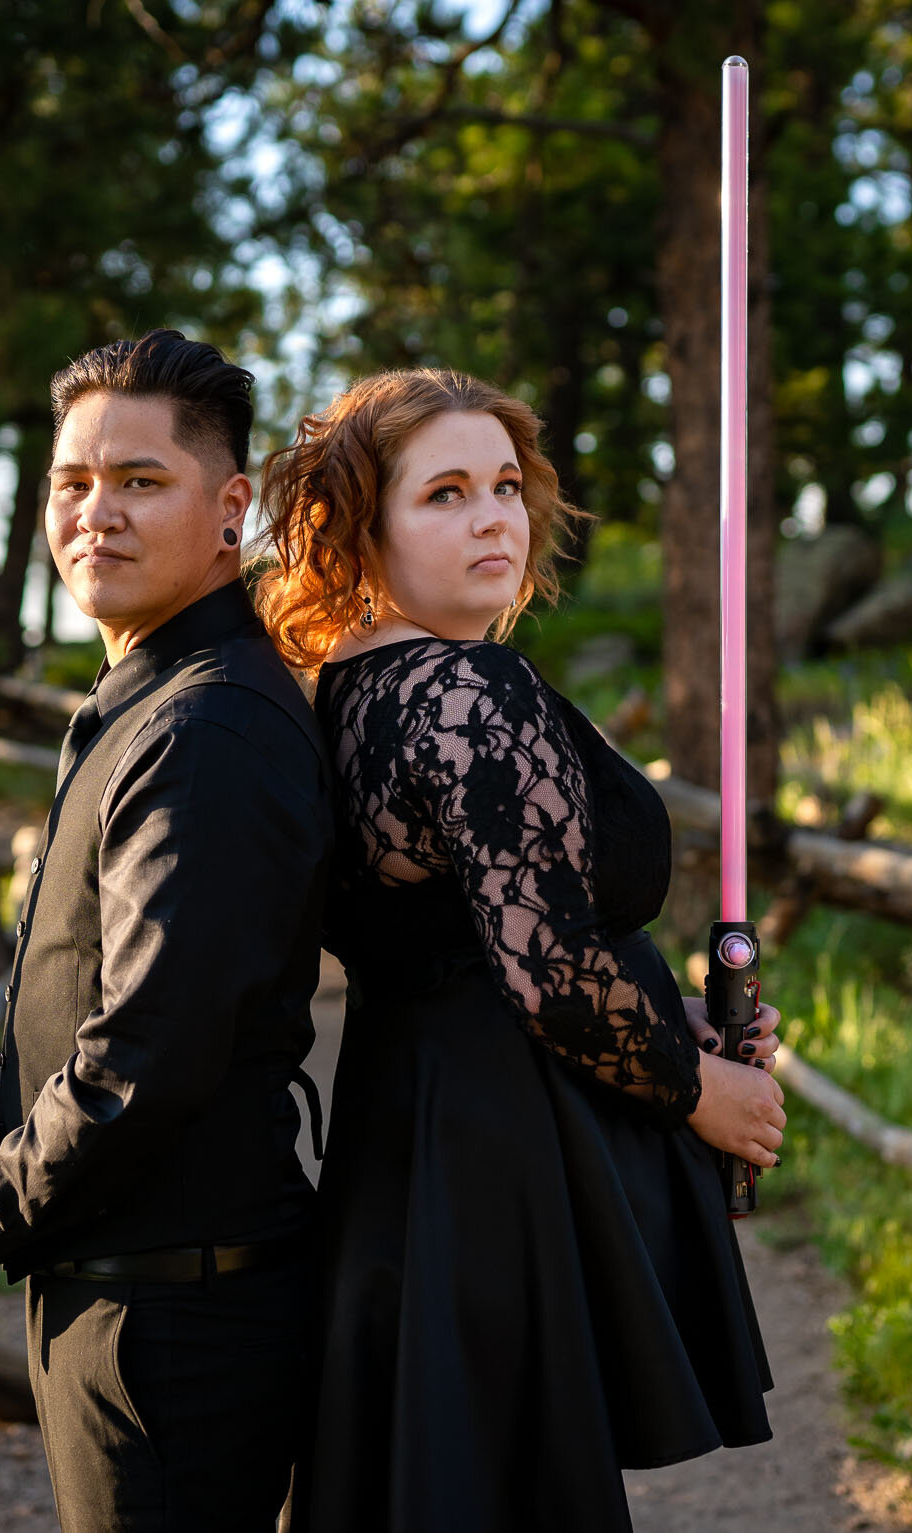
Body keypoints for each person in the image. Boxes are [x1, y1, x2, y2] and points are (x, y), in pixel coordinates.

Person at [255, 368, 786, 1533]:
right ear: (359, 523)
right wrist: (708, 1095)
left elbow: (474, 934)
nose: (493, 516)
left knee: (441, 1478)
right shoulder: (464, 690)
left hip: (415, 1126)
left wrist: (665, 1017)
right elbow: (546, 975)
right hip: (501, 1155)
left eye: (504, 485)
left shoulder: (341, 691)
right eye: (443, 493)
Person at [0, 330, 330, 1531]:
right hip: (125, 1293)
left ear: (229, 508)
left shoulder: (208, 732)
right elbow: (99, 987)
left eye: (139, 482)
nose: (95, 515)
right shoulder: (139, 707)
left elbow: (146, 1057)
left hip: (171, 1324)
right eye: (72, 484)